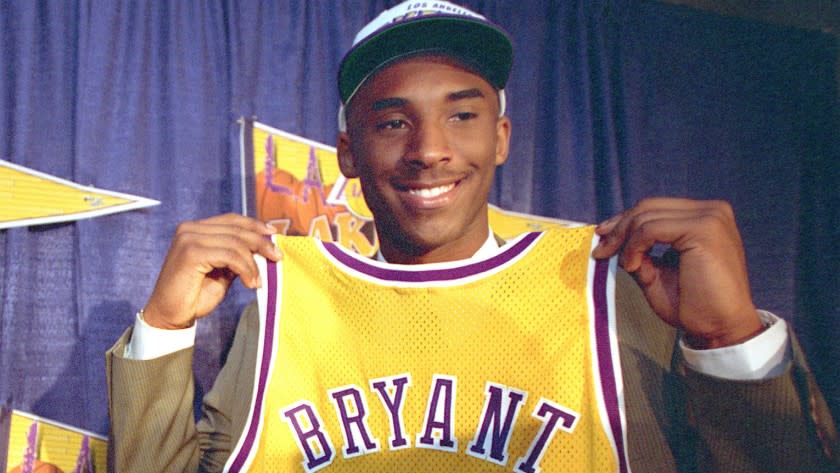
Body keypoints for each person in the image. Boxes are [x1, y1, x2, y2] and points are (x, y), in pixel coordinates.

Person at [107, 2, 838, 472]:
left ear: (502, 137)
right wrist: (165, 331)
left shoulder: (611, 298)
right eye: (393, 122)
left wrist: (731, 341)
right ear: (349, 153)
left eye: (463, 115)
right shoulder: (284, 311)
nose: (430, 149)